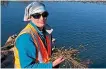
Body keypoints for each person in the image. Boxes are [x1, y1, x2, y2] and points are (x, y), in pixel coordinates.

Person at [13, 2, 64, 68]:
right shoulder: (25, 38)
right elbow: (26, 67)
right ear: (30, 17)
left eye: (44, 14)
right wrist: (51, 65)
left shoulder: (46, 31)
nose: (42, 18)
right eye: (37, 15)